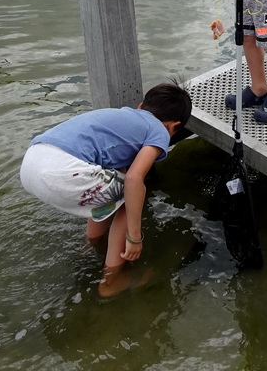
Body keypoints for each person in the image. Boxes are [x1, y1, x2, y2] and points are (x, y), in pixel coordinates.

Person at [20, 83, 192, 298]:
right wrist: (135, 236)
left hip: (32, 162)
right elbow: (134, 178)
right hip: (63, 171)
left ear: (140, 106)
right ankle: (111, 281)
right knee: (131, 196)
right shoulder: (159, 131)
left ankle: (92, 244)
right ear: (174, 126)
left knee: (110, 189)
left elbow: (115, 173)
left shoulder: (120, 117)